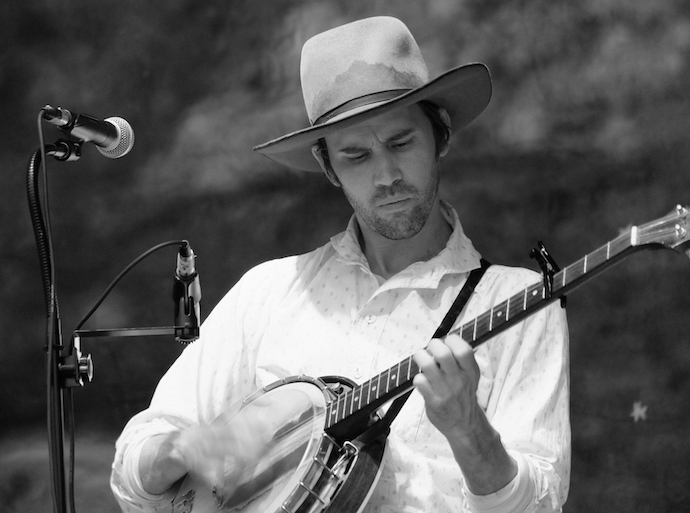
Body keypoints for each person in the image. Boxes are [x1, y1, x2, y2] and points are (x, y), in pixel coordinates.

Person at [111, 16, 570, 513]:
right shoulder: (268, 292)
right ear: (328, 167)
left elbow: (540, 504)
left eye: (401, 143)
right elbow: (134, 473)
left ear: (440, 136)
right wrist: (186, 448)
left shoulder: (520, 303)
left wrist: (468, 429)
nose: (386, 175)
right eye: (356, 156)